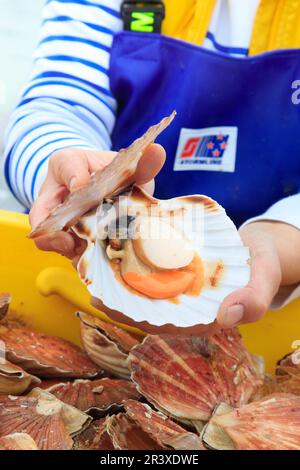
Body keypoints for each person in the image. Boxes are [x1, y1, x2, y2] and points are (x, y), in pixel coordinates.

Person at [4, 0, 300, 330]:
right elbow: (61, 103)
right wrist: (74, 177)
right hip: (85, 274)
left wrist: (285, 232)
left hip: (285, 301)